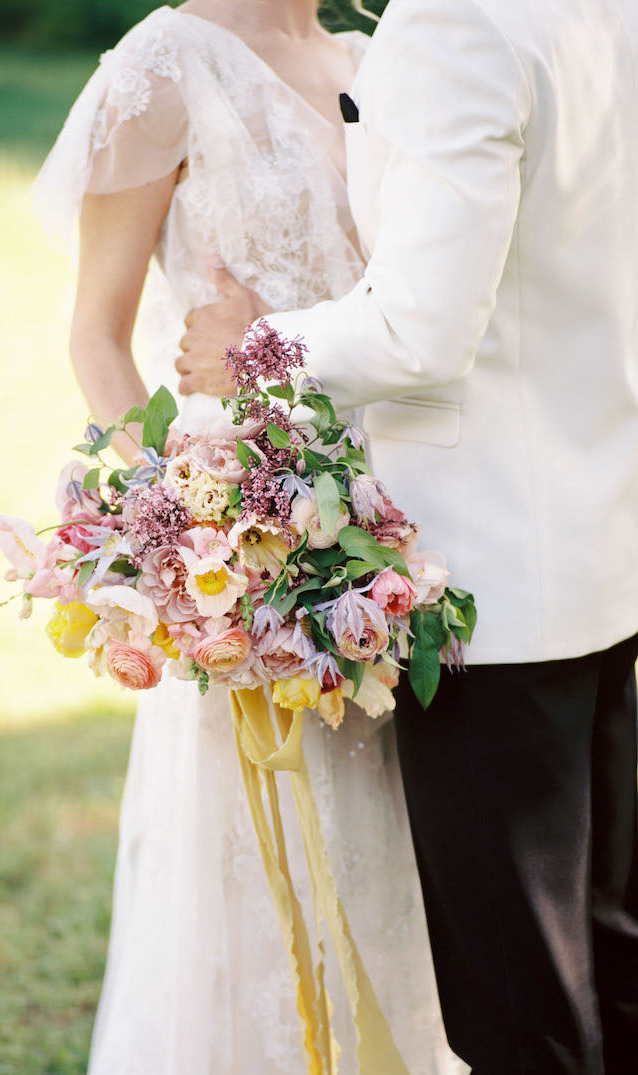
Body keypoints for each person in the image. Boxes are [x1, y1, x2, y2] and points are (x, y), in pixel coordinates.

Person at [178, 0, 638, 1072]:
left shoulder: (452, 26)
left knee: (519, 1009)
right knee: (610, 964)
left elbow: (419, 331)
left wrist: (253, 350)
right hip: (601, 552)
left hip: (488, 587)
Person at [34, 2, 467, 1073]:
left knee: (402, 862)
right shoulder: (163, 65)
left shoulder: (369, 56)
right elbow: (97, 329)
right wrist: (174, 534)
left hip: (393, 536)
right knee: (260, 864)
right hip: (250, 540)